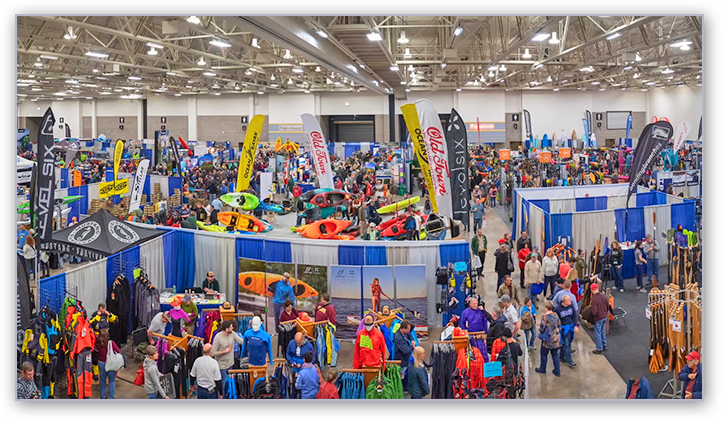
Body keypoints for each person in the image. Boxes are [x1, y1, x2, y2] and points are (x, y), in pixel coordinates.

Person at [212, 320, 244, 390]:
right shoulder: (217, 337)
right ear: (226, 329)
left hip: (230, 364)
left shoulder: (232, 334)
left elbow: (240, 340)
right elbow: (213, 353)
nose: (232, 328)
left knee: (231, 383)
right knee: (224, 383)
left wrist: (249, 341)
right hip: (222, 366)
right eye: (231, 327)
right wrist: (225, 351)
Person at [534, 301, 562, 377]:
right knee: (555, 355)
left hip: (547, 340)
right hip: (556, 339)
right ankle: (557, 371)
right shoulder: (556, 315)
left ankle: (542, 369)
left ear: (546, 308)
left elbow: (542, 329)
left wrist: (539, 327)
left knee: (544, 354)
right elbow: (559, 324)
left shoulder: (544, 317)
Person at [554, 294, 578, 368]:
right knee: (566, 344)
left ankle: (561, 357)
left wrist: (575, 325)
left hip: (570, 327)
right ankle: (569, 360)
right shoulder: (557, 309)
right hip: (563, 329)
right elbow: (555, 319)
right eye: (569, 300)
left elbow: (575, 315)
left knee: (568, 342)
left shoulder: (571, 306)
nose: (571, 301)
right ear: (565, 302)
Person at [393, 320, 416, 387]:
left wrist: (412, 340)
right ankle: (403, 388)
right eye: (408, 329)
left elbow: (409, 334)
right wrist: (413, 347)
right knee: (402, 376)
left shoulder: (403, 332)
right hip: (401, 360)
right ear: (403, 328)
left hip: (405, 359)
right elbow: (405, 350)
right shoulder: (398, 338)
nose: (409, 331)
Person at [588, 283, 609, 355]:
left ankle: (599, 348)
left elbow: (594, 311)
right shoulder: (603, 295)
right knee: (602, 331)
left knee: (597, 333)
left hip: (598, 318)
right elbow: (607, 305)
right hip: (604, 316)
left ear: (591, 290)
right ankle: (604, 344)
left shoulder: (594, 299)